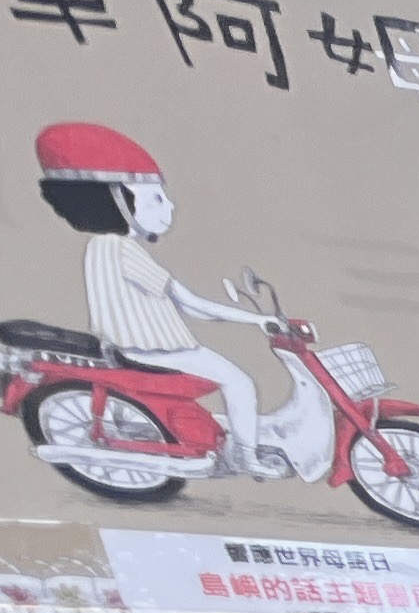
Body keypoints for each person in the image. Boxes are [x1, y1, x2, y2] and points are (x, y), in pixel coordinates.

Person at [32, 125, 272, 470]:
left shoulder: (101, 247)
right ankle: (246, 457)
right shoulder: (124, 251)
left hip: (130, 347)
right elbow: (192, 304)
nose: (170, 206)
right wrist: (258, 320)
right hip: (157, 350)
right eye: (156, 198)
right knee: (240, 382)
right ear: (119, 201)